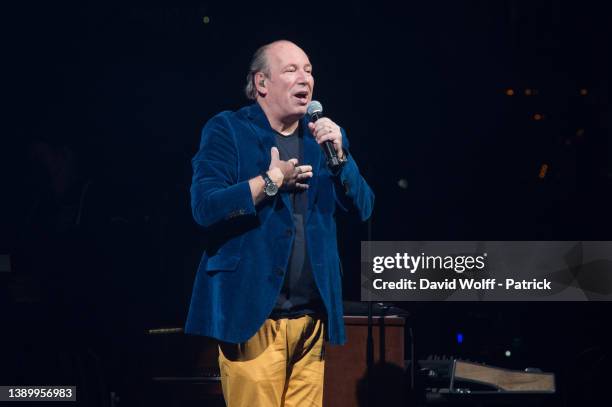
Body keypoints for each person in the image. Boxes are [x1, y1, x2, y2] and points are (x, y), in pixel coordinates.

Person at [185, 39, 374, 407]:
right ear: (261, 83)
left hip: (312, 320)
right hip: (253, 316)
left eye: (309, 70)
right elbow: (205, 208)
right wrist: (269, 183)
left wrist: (340, 160)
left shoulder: (323, 136)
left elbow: (364, 208)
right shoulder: (228, 129)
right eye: (291, 70)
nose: (305, 77)